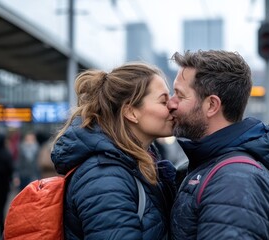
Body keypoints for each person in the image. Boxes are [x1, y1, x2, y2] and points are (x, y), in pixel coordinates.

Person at [167, 50, 269, 239]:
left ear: (212, 105)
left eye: (179, 95)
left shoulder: (235, 182)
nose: (171, 103)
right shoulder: (215, 165)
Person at [51, 62, 176, 239]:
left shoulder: (136, 164)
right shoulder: (104, 177)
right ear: (131, 112)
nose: (172, 105)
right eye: (164, 100)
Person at [0, 132, 14, 239]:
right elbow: (10, 170)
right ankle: (2, 231)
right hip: (3, 187)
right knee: (1, 210)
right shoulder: (6, 154)